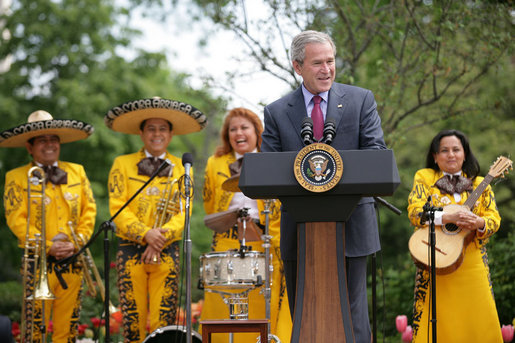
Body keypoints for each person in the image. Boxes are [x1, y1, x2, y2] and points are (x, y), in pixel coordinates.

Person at [261, 30, 386, 342]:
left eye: (330, 61)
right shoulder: (277, 112)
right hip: (299, 229)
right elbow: (268, 167)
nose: (327, 69)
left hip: (353, 224)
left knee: (353, 313)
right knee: (304, 312)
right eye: (318, 63)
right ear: (297, 66)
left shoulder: (361, 100)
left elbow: (375, 153)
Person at [104, 97, 206, 342]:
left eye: (162, 129)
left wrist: (158, 238)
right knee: (132, 321)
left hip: (167, 250)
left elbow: (185, 210)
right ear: (141, 132)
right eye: (151, 128)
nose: (157, 134)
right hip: (130, 250)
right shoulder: (122, 164)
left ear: (170, 135)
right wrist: (145, 234)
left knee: (165, 320)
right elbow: (118, 207)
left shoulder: (183, 168)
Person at [1, 110, 96, 343]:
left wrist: (75, 243)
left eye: (54, 139)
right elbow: (16, 219)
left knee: (68, 329)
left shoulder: (77, 171)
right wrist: (48, 246)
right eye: (42, 140)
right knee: (34, 328)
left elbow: (89, 212)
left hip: (73, 260)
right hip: (37, 261)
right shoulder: (16, 177)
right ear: (29, 147)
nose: (50, 145)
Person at [200, 107, 292, 342]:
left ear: (256, 131)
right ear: (227, 135)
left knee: (260, 302)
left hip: (263, 240)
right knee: (223, 303)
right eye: (233, 129)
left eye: (244, 128)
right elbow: (210, 206)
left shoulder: (270, 160)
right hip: (226, 239)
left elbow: (280, 207)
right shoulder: (215, 163)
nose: (238, 133)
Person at [407, 129, 502, 342]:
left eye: (456, 150)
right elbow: (415, 212)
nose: (451, 155)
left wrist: (478, 222)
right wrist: (447, 217)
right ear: (435, 156)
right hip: (434, 258)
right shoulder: (425, 177)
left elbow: (494, 218)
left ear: (465, 154)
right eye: (444, 150)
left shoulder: (480, 184)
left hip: (472, 261)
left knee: (478, 319)